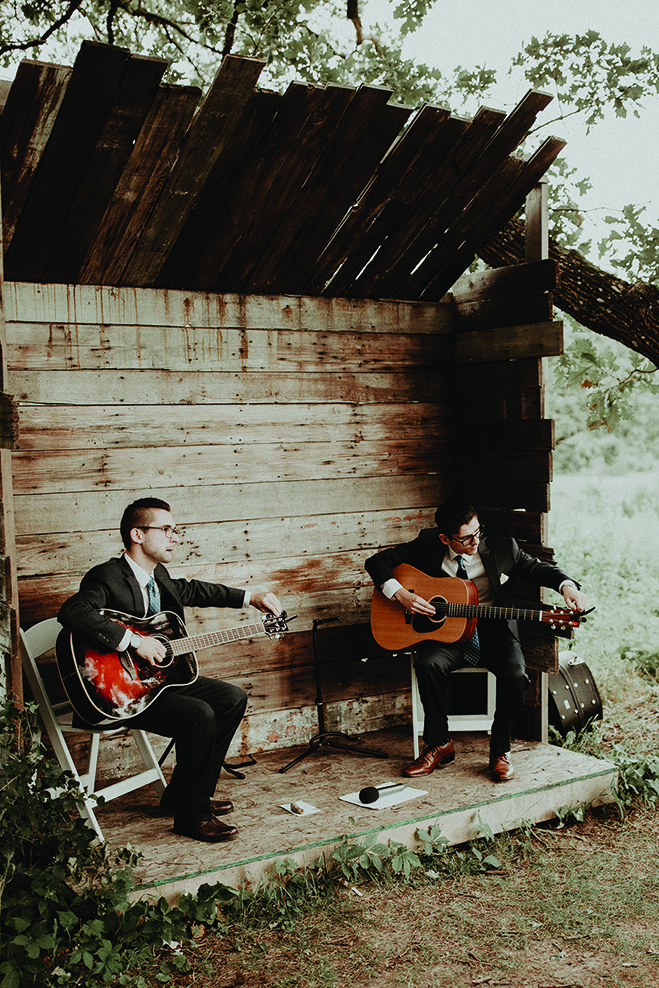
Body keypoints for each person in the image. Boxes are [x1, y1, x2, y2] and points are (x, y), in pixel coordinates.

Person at [58, 497, 283, 843]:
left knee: (232, 698)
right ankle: (192, 817)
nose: (174, 537)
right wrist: (134, 643)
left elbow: (191, 589)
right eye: (166, 530)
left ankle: (186, 794)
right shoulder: (107, 576)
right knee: (199, 714)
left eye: (175, 530)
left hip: (154, 685)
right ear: (137, 534)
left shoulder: (157, 575)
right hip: (118, 694)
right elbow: (74, 611)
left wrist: (250, 597)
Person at [365, 497, 587, 783]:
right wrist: (401, 594)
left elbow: (539, 569)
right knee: (428, 664)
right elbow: (376, 562)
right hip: (447, 636)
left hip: (494, 634)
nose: (475, 542)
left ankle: (500, 751)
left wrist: (567, 586)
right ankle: (439, 744)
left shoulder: (504, 547)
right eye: (466, 539)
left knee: (516, 674)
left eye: (478, 532)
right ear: (445, 538)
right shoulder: (427, 545)